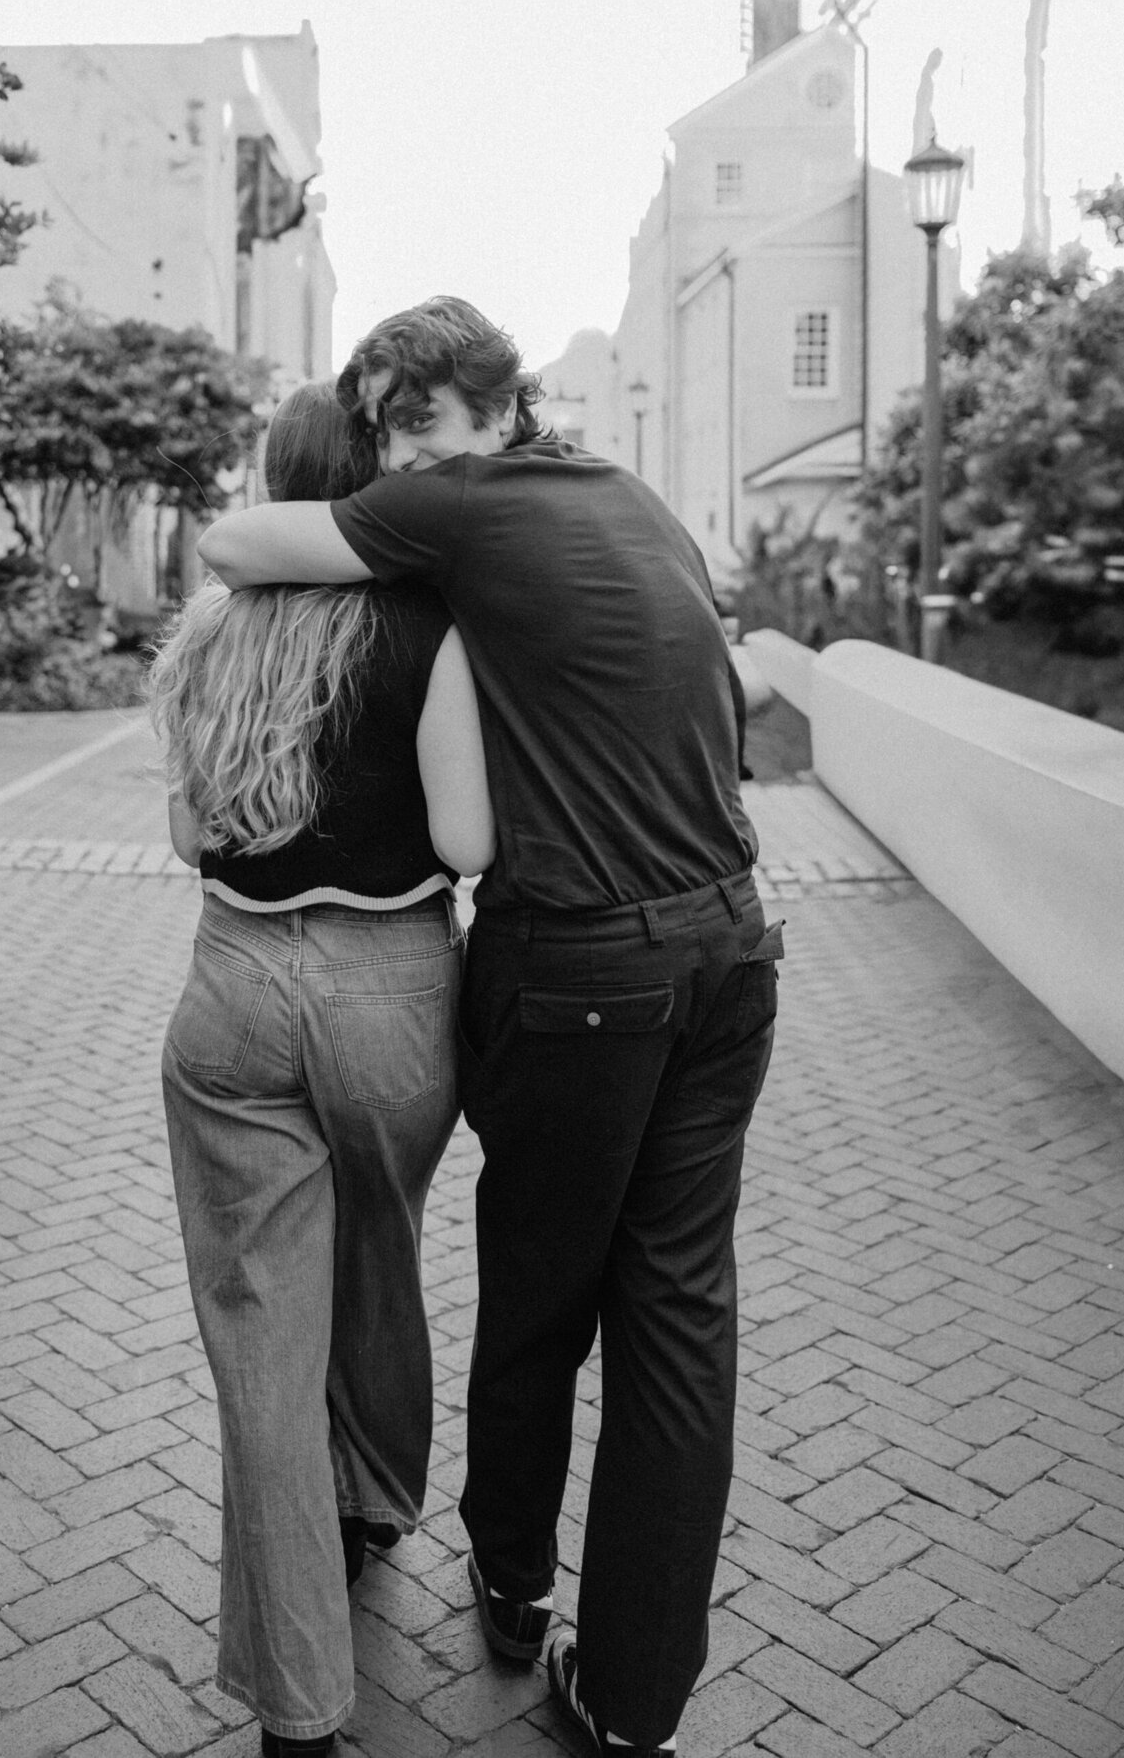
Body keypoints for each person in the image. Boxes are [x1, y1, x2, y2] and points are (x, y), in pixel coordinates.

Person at [197, 297, 781, 1758]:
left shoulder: (456, 509)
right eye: (379, 424)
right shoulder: (629, 502)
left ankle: (513, 1587)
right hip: (732, 952)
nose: (397, 451)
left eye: (416, 419)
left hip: (585, 973)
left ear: (492, 411)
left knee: (535, 1301)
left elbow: (240, 549)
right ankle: (635, 1698)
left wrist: (367, 510)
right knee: (679, 1319)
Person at [152, 379, 496, 1757]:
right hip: (393, 989)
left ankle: (299, 1710)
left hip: (232, 987)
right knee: (381, 1241)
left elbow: (188, 839)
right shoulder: (428, 627)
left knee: (261, 1340)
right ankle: (377, 1498)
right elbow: (467, 848)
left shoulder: (209, 634)